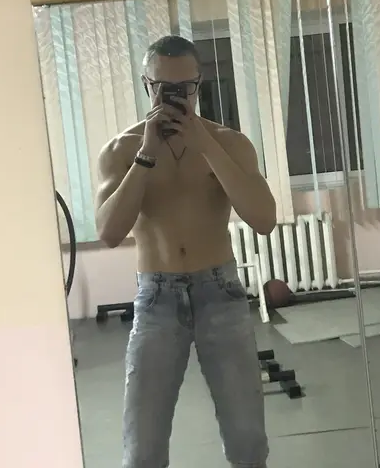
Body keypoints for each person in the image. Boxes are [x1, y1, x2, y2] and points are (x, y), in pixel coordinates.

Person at [95, 35, 276, 468]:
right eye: (163, 87)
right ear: (147, 85)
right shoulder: (121, 150)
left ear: (198, 84)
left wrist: (205, 143)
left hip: (220, 292)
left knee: (248, 443)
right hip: (156, 299)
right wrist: (147, 154)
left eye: (184, 87)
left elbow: (264, 219)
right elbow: (109, 232)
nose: (174, 97)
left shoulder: (229, 143)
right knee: (142, 452)